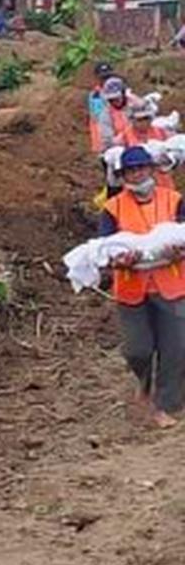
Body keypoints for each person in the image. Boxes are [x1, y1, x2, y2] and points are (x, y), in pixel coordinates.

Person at [99, 146, 185, 428]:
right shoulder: (113, 208)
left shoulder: (174, 200)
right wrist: (119, 261)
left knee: (175, 349)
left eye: (142, 169)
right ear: (124, 177)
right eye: (131, 171)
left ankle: (164, 407)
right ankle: (144, 382)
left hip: (172, 285)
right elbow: (104, 247)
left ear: (151, 170)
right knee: (138, 350)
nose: (137, 175)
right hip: (131, 288)